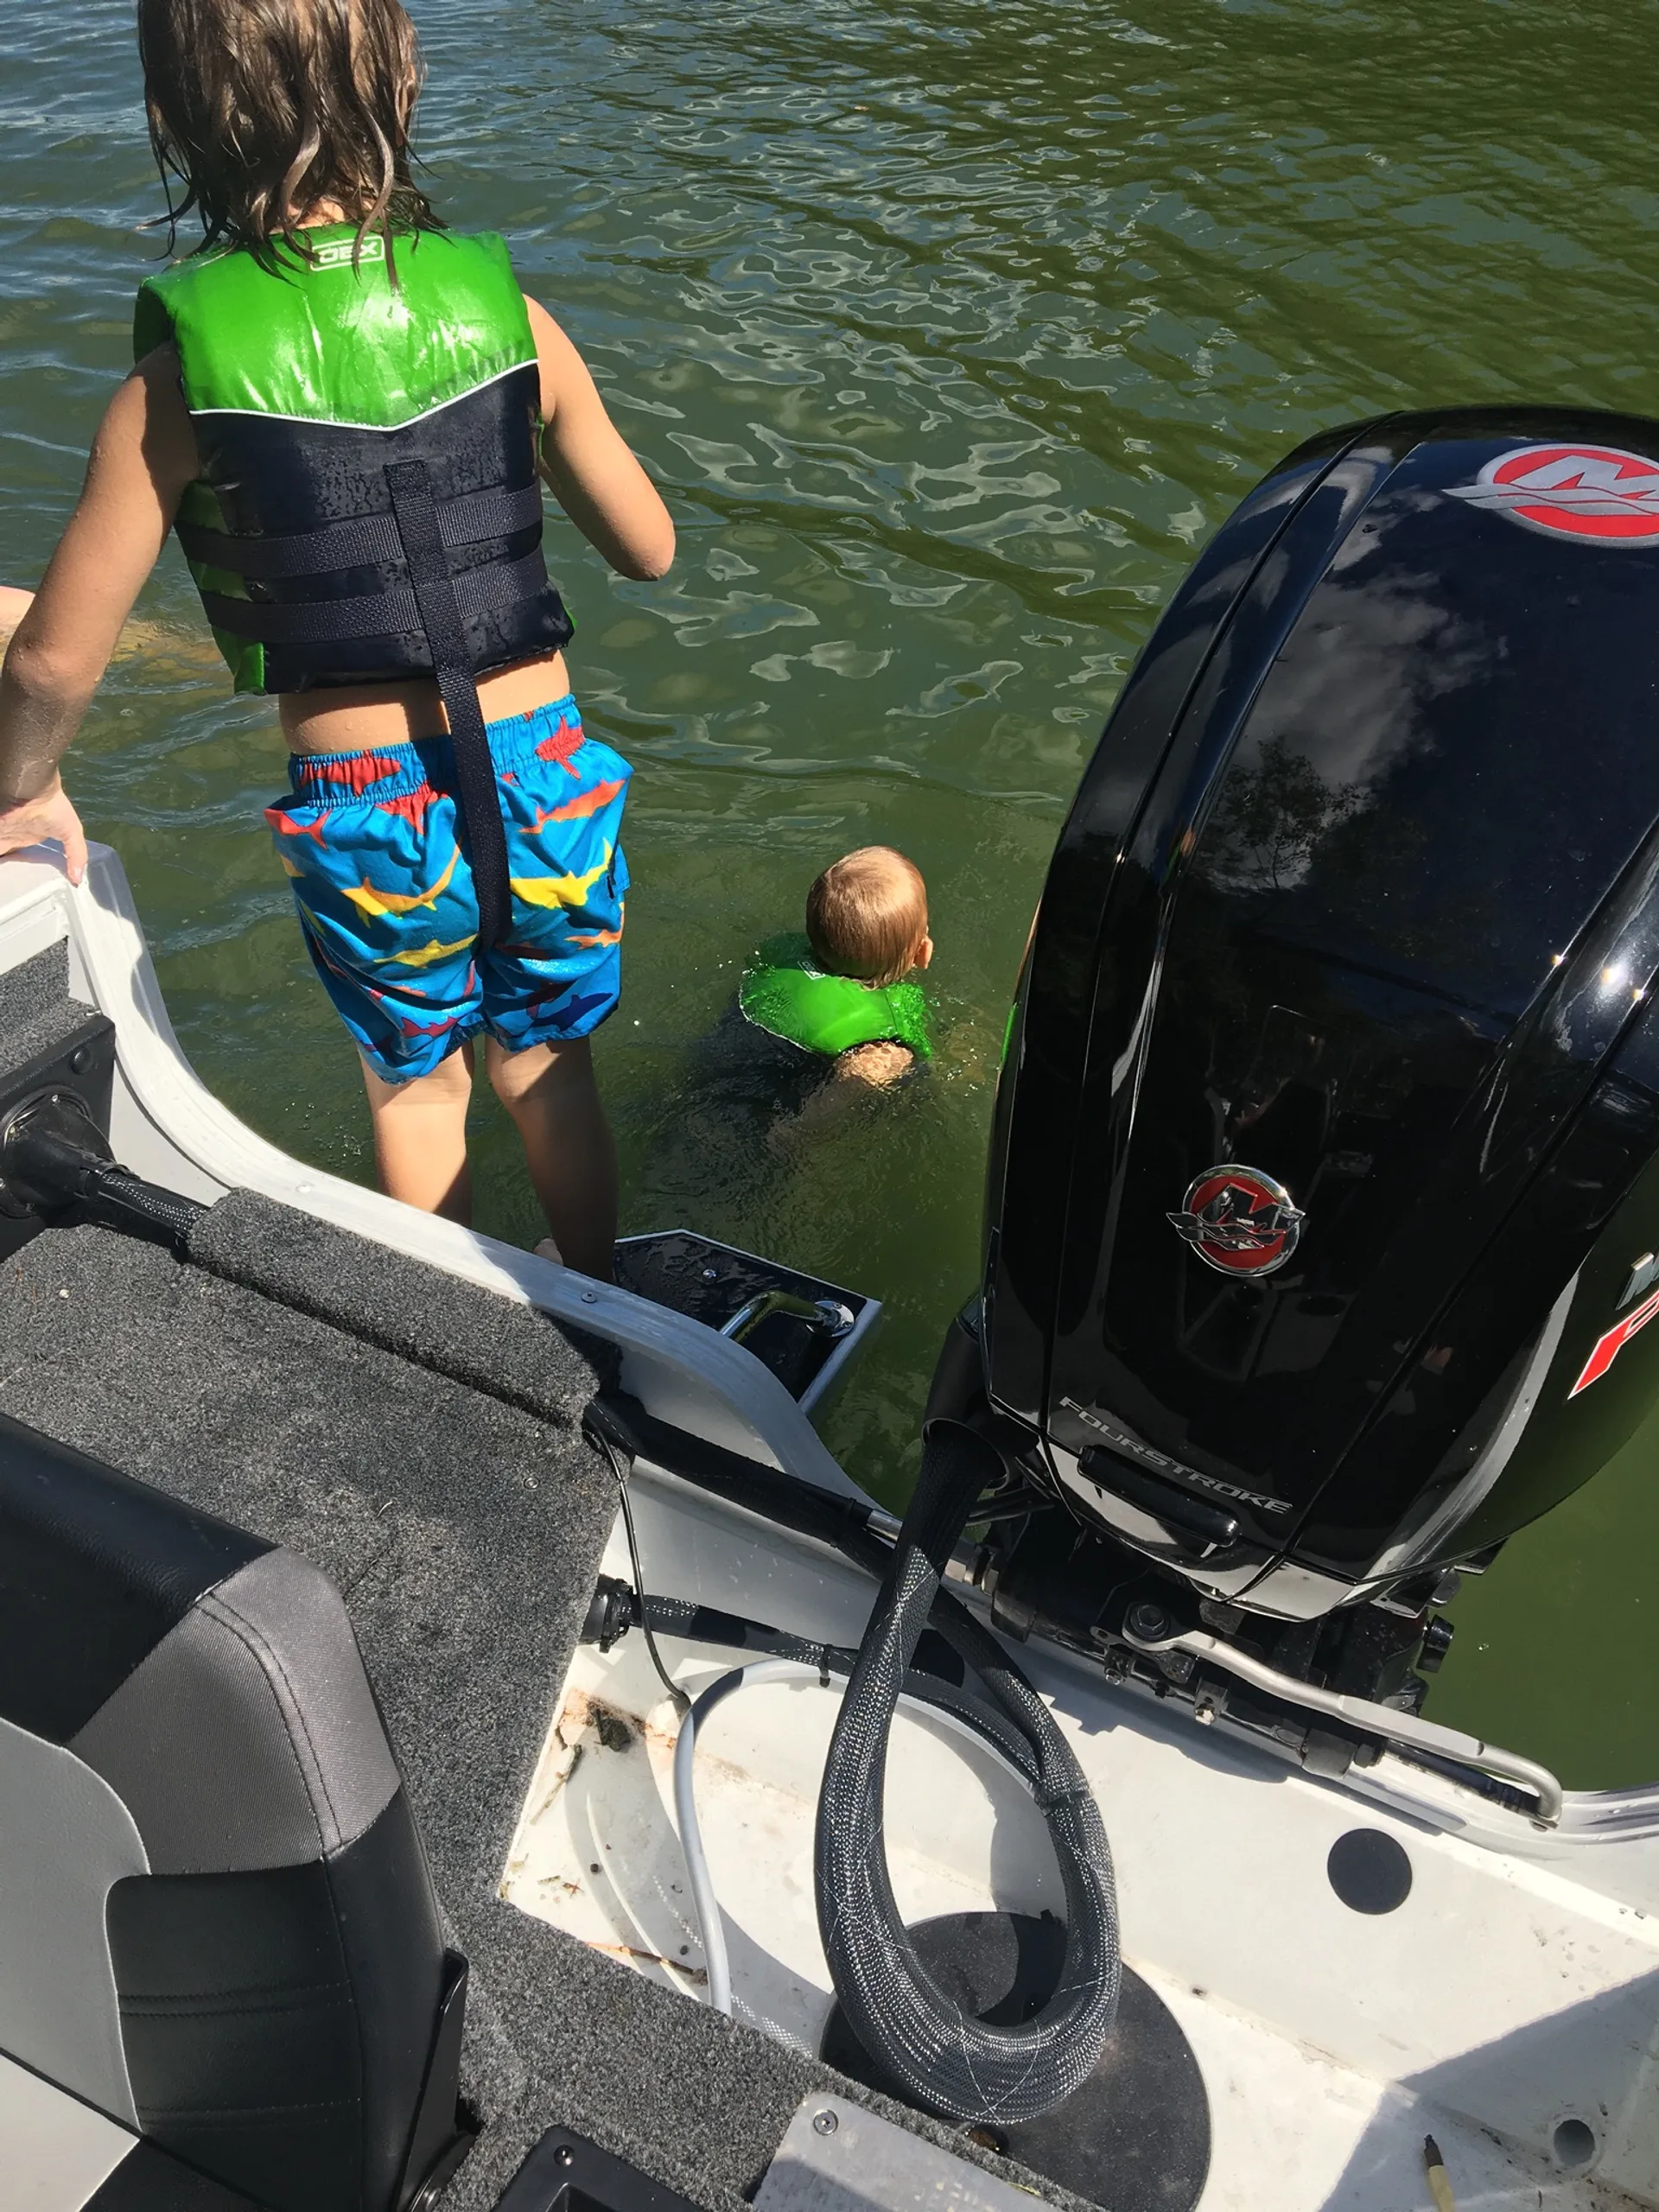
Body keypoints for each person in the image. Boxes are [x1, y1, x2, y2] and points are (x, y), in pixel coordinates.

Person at [0, 0, 673, 1280]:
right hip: (548, 763)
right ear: (400, 80)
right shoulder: (511, 316)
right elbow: (650, 546)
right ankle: (593, 1299)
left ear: (170, 115)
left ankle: (457, 1339)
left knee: (420, 1090)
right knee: (548, 1066)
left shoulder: (173, 384)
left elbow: (51, 662)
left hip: (369, 803)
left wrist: (17, 791)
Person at [740, 846, 934, 1094]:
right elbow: (849, 1085)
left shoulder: (785, 954)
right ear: (922, 952)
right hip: (799, 1090)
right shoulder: (883, 1036)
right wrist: (790, 1133)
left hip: (749, 1046)